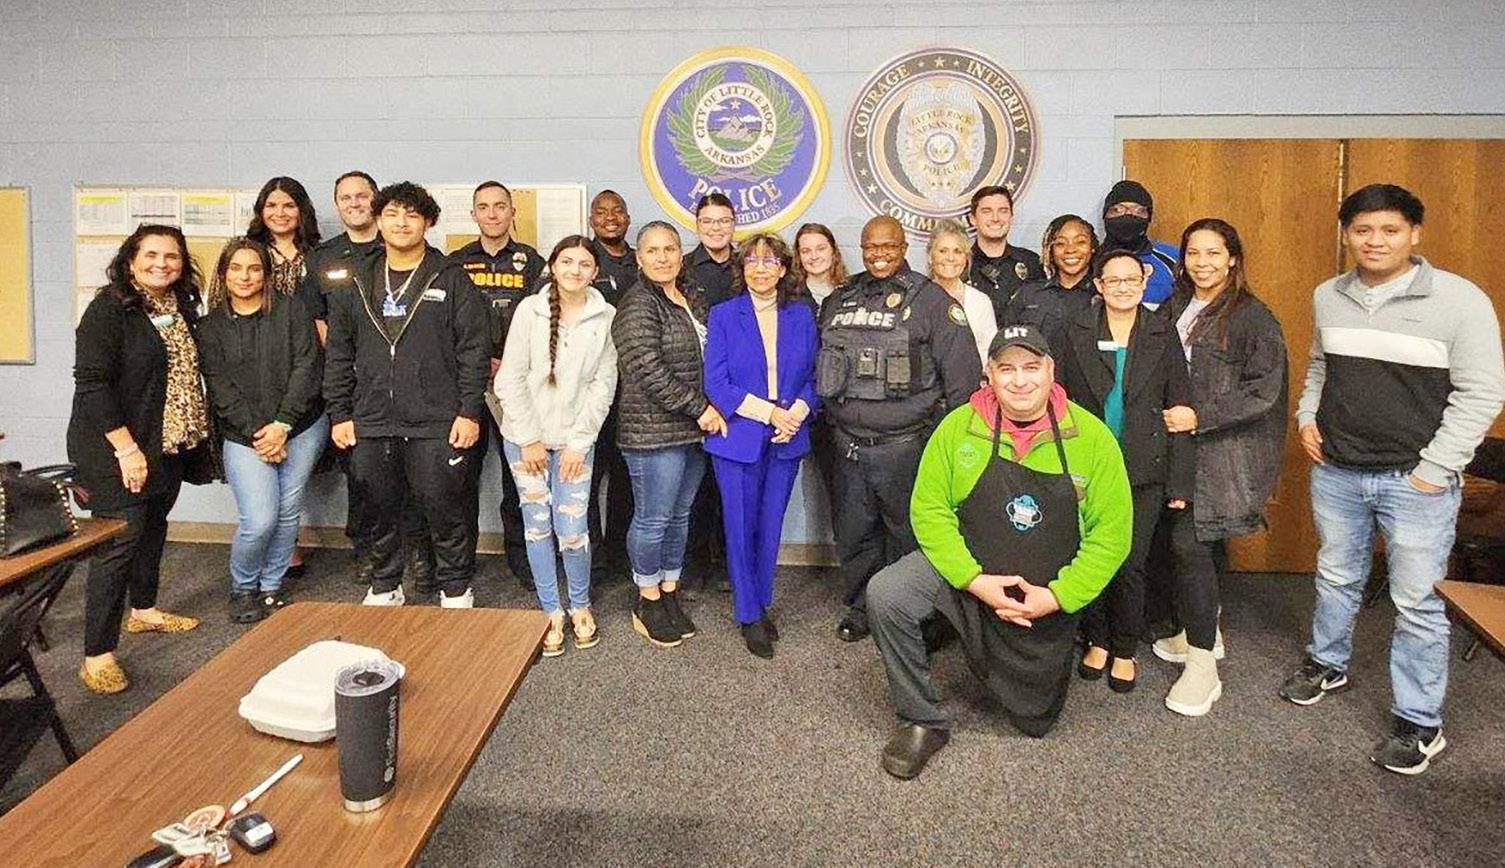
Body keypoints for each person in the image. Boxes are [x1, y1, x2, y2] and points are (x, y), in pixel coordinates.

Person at [1283, 184, 1505, 774]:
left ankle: (1419, 721)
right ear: (1347, 235)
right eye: (1362, 230)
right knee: (1336, 576)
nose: (1375, 241)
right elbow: (1320, 365)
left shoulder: (1460, 301)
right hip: (1338, 470)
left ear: (1414, 234)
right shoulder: (1329, 295)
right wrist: (1307, 417)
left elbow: (1483, 391)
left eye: (1389, 230)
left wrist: (1436, 469)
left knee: (1418, 603)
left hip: (1415, 481)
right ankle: (1327, 662)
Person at [867, 325, 1131, 779]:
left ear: (1051, 371)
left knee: (1035, 721)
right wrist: (973, 580)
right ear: (989, 374)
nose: (1020, 380)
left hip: (1044, 594)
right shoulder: (958, 428)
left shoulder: (1092, 438)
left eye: (1031, 367)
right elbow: (929, 511)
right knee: (887, 593)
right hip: (971, 575)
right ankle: (920, 720)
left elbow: (1112, 536)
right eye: (1007, 369)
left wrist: (1059, 596)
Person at [323, 181, 489, 609]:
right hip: (371, 418)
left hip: (437, 419)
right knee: (378, 508)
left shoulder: (451, 278)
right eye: (392, 214)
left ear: (427, 222)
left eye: (412, 215)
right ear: (378, 220)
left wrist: (470, 411)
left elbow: (473, 351)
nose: (401, 223)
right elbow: (339, 353)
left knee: (445, 509)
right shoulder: (356, 281)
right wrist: (339, 413)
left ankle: (455, 588)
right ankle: (385, 584)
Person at [817, 215, 981, 642]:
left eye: (888, 246)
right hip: (848, 448)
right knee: (854, 535)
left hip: (908, 449)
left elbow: (963, 382)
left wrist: (946, 450)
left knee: (912, 537)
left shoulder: (932, 302)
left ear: (904, 247)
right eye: (871, 247)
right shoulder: (840, 299)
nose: (879, 255)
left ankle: (920, 616)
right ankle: (862, 607)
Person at [68, 225, 213, 694]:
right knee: (119, 545)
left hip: (165, 444)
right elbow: (92, 384)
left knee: (153, 527)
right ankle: (97, 655)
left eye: (171, 256)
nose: (161, 264)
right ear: (130, 260)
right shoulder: (109, 309)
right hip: (116, 448)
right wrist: (126, 449)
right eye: (151, 255)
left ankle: (145, 611)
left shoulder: (178, 306)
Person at [1151, 218, 1288, 717]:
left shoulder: (1253, 318)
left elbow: (1263, 393)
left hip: (1218, 450)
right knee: (1193, 544)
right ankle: (1199, 627)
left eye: (1213, 253)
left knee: (1191, 544)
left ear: (1232, 259)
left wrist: (1200, 416)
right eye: (1193, 253)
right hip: (1178, 446)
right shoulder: (1176, 306)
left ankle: (1203, 666)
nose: (1202, 263)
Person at [1057, 249, 1194, 692]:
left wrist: (1179, 480)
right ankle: (1096, 640)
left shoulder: (1161, 331)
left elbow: (1180, 407)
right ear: (1098, 285)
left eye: (1131, 280)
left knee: (1131, 563)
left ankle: (1124, 648)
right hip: (1087, 465)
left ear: (1144, 283)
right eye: (1112, 280)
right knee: (1090, 556)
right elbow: (1056, 398)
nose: (1122, 287)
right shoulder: (1074, 329)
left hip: (1143, 469)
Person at [496, 236, 618, 656]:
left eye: (584, 264)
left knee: (572, 530)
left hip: (575, 445)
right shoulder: (529, 311)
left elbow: (604, 386)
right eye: (566, 262)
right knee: (536, 527)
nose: (574, 271)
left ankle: (580, 604)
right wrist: (529, 438)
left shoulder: (606, 317)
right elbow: (509, 379)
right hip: (524, 441)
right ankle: (551, 610)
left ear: (595, 272)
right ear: (552, 266)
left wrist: (578, 444)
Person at [702, 233, 820, 658]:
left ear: (783, 269)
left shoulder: (802, 315)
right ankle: (748, 613)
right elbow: (717, 383)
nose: (760, 269)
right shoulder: (723, 315)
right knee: (739, 528)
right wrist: (770, 414)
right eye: (751, 261)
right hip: (739, 438)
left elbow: (816, 376)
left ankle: (761, 601)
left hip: (787, 436)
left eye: (769, 262)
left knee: (771, 526)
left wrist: (797, 413)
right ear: (742, 269)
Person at [198, 239, 326, 624]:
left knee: (287, 512)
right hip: (246, 435)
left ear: (266, 274)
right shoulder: (209, 327)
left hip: (301, 426)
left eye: (254, 268)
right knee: (260, 519)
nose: (245, 276)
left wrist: (282, 425)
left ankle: (270, 586)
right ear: (223, 275)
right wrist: (262, 433)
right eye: (236, 268)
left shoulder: (292, 310)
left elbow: (307, 367)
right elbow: (220, 389)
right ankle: (243, 587)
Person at [612, 221, 726, 648]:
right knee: (653, 518)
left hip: (692, 431)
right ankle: (647, 599)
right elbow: (649, 371)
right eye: (653, 251)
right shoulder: (638, 304)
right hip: (654, 433)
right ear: (639, 258)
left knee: (680, 516)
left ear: (681, 254)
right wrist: (701, 408)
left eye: (670, 249)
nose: (662, 258)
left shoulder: (689, 296)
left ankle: (668, 590)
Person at [450, 181, 544, 589]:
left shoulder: (533, 262)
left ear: (512, 212)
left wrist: (512, 362)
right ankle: (458, 562)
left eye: (500, 206)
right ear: (473, 214)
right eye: (484, 207)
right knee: (459, 478)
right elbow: (445, 323)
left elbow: (545, 320)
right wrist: (477, 362)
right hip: (466, 385)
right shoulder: (454, 264)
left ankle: (523, 560)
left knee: (519, 475)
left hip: (517, 386)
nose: (492, 214)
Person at [301, 169, 381, 584]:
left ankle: (413, 552)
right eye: (345, 198)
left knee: (409, 472)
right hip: (350, 383)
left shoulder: (400, 247)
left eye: (361, 195)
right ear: (337, 205)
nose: (354, 203)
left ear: (376, 199)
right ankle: (367, 550)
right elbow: (317, 320)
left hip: (398, 381)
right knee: (361, 473)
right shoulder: (323, 258)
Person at [586, 189, 636, 582]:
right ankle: (593, 561)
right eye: (601, 212)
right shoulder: (580, 260)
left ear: (628, 219)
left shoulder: (641, 262)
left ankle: (621, 556)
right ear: (591, 220)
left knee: (627, 481)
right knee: (585, 481)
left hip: (634, 393)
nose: (610, 217)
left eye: (617, 211)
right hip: (589, 391)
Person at [1012, 214, 1100, 352]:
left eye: (1080, 242)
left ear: (1092, 247)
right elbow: (1007, 347)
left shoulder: (1104, 295)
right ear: (1050, 251)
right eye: (1060, 243)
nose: (1070, 250)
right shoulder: (1028, 295)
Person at [244, 176, 323, 325]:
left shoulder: (319, 255)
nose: (280, 213)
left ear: (302, 211)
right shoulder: (245, 251)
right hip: (253, 334)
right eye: (271, 206)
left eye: (289, 206)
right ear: (261, 210)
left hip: (307, 336)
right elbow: (218, 302)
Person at [966, 185, 1044, 325]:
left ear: (1011, 217)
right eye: (987, 211)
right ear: (973, 219)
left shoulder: (1031, 263)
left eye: (1003, 211)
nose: (995, 218)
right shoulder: (960, 264)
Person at [927, 219, 999, 366]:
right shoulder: (916, 298)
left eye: (958, 252)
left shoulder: (980, 302)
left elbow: (990, 352)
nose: (950, 258)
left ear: (966, 259)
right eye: (943, 251)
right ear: (930, 256)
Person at [1099, 180, 1178, 307]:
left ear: (1149, 217)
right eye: (1118, 210)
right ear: (1105, 215)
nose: (1128, 216)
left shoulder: (1172, 257)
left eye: (1138, 211)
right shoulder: (1088, 260)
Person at [685, 192, 737, 307]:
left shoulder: (747, 266)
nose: (716, 228)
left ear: (734, 224)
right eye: (707, 221)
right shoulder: (681, 268)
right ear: (697, 225)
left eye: (724, 221)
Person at [792, 222, 849, 310]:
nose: (814, 256)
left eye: (821, 249)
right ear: (799, 256)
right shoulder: (789, 295)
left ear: (833, 251)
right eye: (806, 251)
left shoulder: (850, 292)